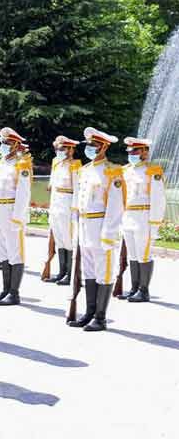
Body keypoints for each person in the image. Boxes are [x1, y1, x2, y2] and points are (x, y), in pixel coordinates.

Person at [67, 128, 124, 331]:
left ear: (104, 147)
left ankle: (100, 317)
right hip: (84, 225)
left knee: (103, 271)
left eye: (94, 146)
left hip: (101, 226)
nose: (90, 149)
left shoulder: (112, 171)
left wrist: (109, 234)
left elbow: (116, 206)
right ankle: (89, 312)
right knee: (89, 271)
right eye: (89, 145)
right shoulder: (84, 170)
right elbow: (77, 202)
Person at [0, 127, 32, 306]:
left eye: (7, 143)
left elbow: (24, 193)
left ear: (15, 145)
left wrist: (17, 218)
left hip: (11, 211)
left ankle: (14, 292)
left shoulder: (22, 165)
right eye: (2, 142)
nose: (3, 145)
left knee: (15, 253)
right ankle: (5, 290)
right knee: (3, 253)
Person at [118, 137, 165, 303]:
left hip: (144, 217)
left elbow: (158, 199)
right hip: (127, 216)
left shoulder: (153, 170)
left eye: (135, 151)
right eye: (130, 151)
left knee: (144, 254)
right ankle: (134, 288)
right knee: (132, 254)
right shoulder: (125, 170)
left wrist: (154, 223)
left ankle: (144, 291)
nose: (131, 154)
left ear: (145, 151)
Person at [44, 136, 82, 286]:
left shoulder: (75, 165)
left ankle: (70, 273)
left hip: (68, 203)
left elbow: (77, 190)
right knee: (59, 238)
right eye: (57, 149)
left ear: (71, 150)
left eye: (62, 149)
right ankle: (61, 272)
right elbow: (52, 186)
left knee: (68, 239)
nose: (58, 151)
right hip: (56, 202)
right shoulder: (56, 163)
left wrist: (74, 210)